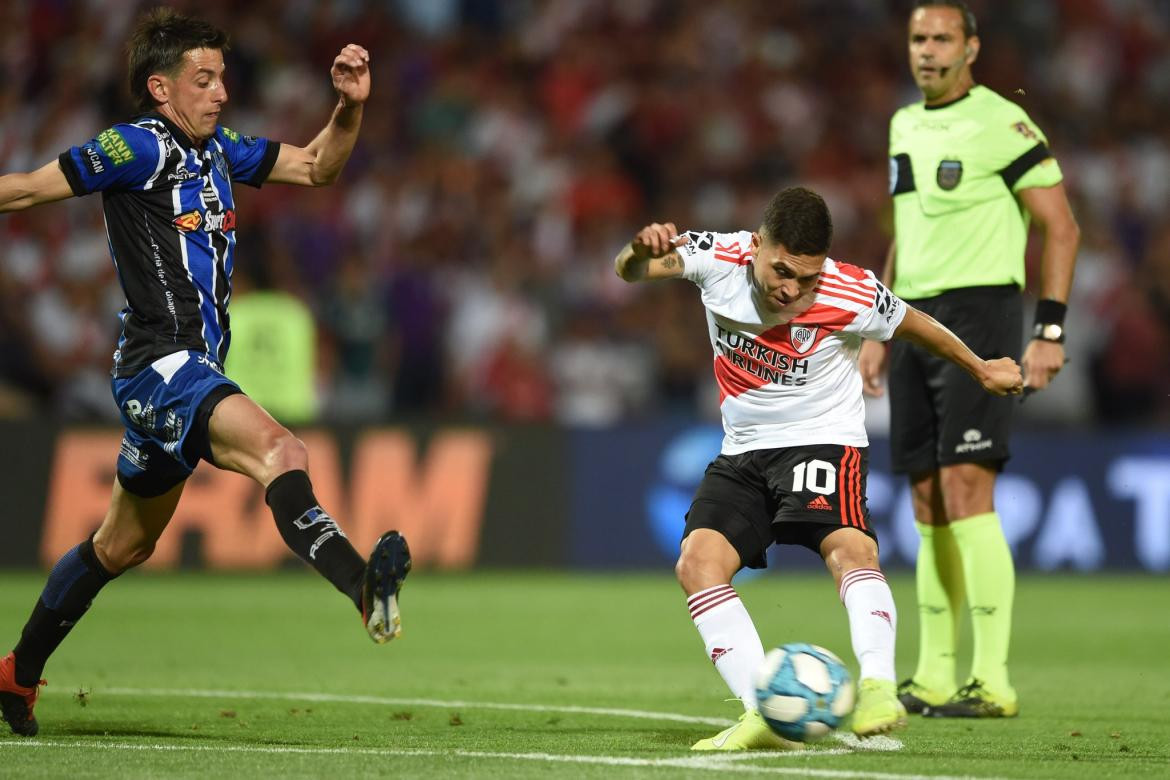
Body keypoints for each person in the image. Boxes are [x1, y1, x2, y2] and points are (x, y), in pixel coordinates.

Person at [0, 9, 411, 738]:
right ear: (160, 88)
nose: (221, 92)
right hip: (162, 366)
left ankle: (15, 674)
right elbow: (30, 188)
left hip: (180, 375)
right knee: (283, 451)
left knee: (121, 546)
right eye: (204, 78)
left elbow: (318, 167)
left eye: (222, 76)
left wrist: (349, 106)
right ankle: (361, 585)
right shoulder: (134, 145)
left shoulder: (221, 151)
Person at [614, 186, 1023, 750]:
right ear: (756, 245)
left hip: (823, 442)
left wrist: (979, 368)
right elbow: (631, 271)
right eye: (782, 271)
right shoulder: (717, 256)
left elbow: (915, 324)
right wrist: (640, 251)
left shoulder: (850, 290)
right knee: (697, 562)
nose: (791, 290)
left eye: (807, 279)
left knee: (850, 550)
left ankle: (878, 685)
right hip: (743, 449)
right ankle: (761, 713)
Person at [858, 0, 1080, 719]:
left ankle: (994, 679)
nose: (926, 50)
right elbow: (905, 228)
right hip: (915, 319)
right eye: (918, 38)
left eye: (941, 38)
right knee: (924, 497)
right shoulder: (903, 124)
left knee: (964, 489)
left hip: (982, 311)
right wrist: (877, 324)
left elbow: (1062, 227)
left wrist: (1047, 332)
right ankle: (933, 675)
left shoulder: (1002, 124)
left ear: (972, 47)